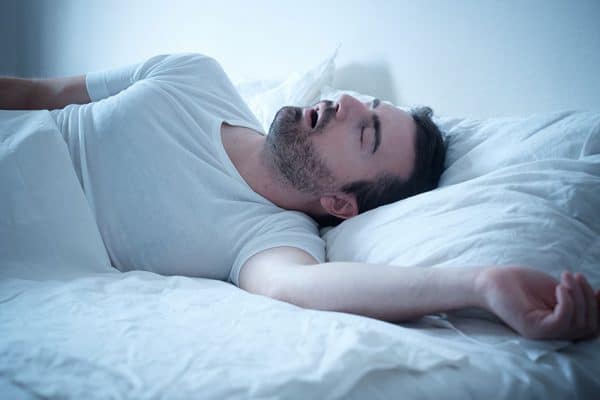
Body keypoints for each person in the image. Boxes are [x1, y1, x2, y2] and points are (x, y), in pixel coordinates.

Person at [1, 53, 598, 341]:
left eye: (363, 132)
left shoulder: (270, 240)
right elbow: (40, 91)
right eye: (364, 104)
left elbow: (303, 289)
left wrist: (479, 286)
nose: (344, 105)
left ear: (341, 204)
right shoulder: (193, 75)